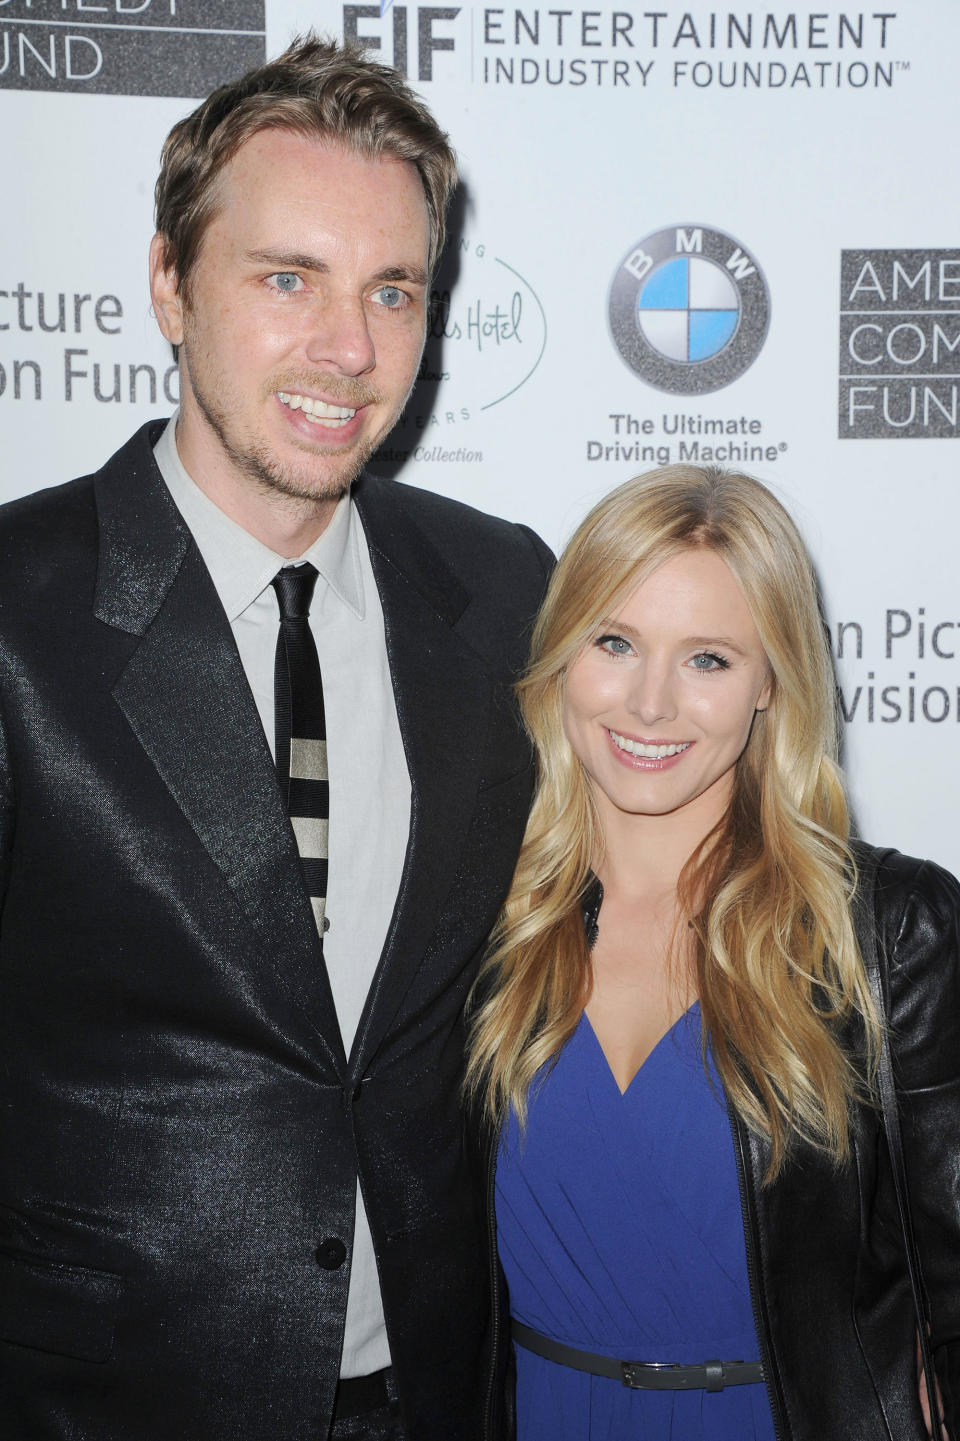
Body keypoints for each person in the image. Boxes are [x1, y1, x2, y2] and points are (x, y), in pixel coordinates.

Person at [0, 36, 552, 1441]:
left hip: (435, 1392)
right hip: (104, 1399)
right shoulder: (20, 606)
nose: (350, 349)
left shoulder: (500, 594)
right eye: (287, 278)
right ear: (171, 286)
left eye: (393, 291)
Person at [466, 464, 959, 1441]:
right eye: (615, 642)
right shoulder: (479, 917)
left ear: (772, 681)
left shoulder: (891, 929)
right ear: (562, 655)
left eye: (708, 660)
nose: (650, 704)